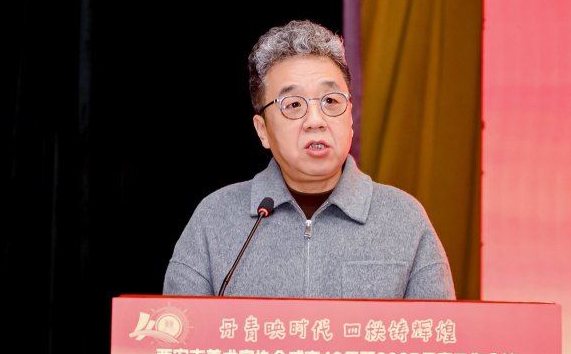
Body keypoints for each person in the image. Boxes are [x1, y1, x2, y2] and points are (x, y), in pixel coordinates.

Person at [163, 19, 455, 299]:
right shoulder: (214, 218)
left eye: (330, 101)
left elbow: (440, 332)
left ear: (350, 118)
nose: (316, 121)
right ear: (262, 130)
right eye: (293, 105)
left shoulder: (404, 219)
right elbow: (176, 328)